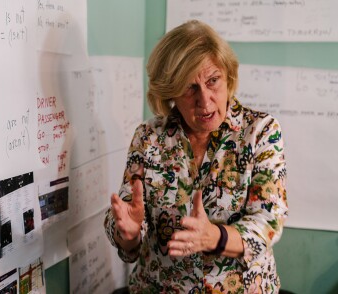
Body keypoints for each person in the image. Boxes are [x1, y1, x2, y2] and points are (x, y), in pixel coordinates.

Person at [104, 20, 288, 293]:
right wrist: (127, 234)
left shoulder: (260, 132)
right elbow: (129, 217)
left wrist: (215, 236)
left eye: (212, 81)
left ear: (228, 76)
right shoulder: (149, 136)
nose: (205, 100)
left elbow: (268, 222)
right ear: (170, 93)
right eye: (190, 88)